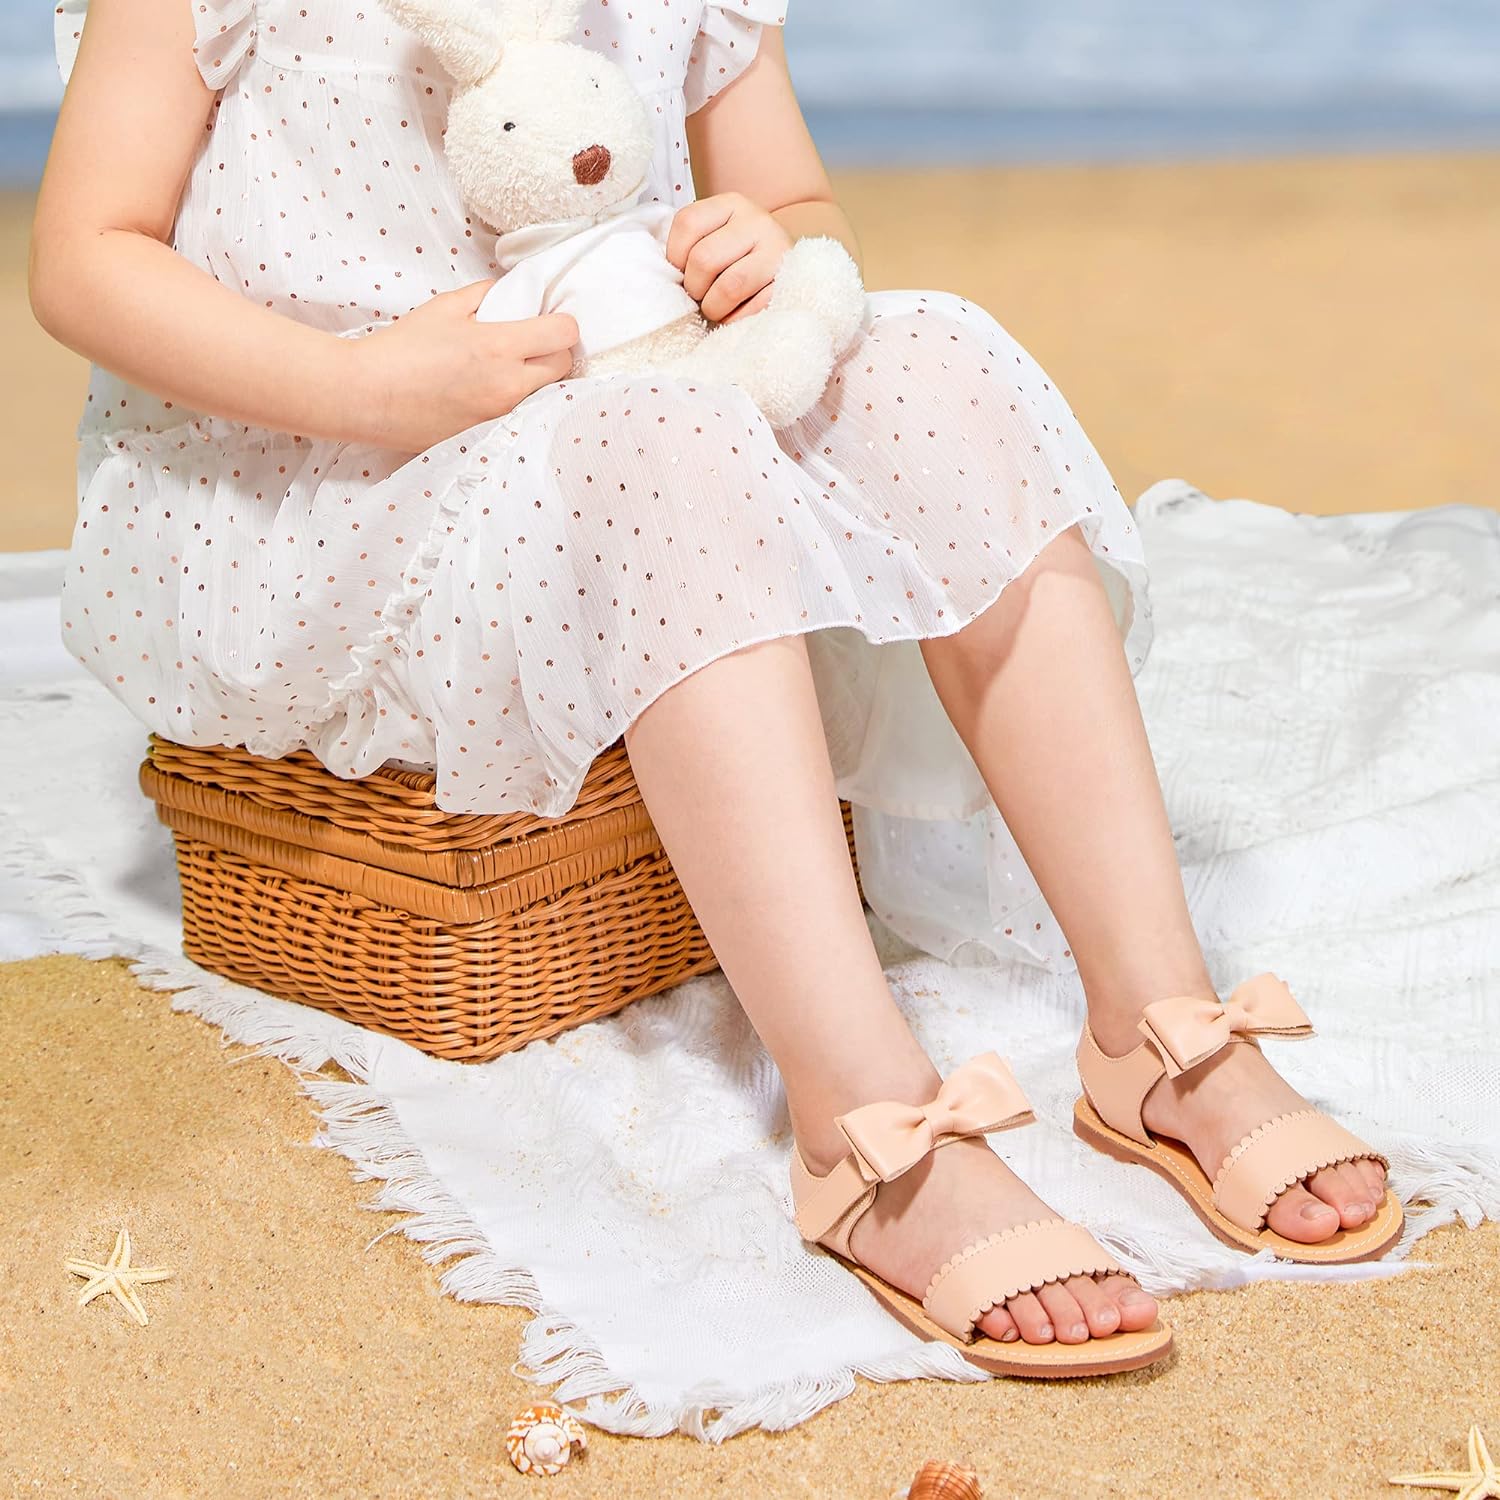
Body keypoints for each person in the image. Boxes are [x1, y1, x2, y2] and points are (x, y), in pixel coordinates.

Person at [30, 0, 1396, 1375]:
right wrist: (366, 384)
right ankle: (863, 1120)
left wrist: (769, 247)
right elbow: (86, 258)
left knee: (936, 355)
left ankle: (1158, 1023)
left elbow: (794, 200)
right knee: (663, 441)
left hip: (637, 391)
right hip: (334, 474)